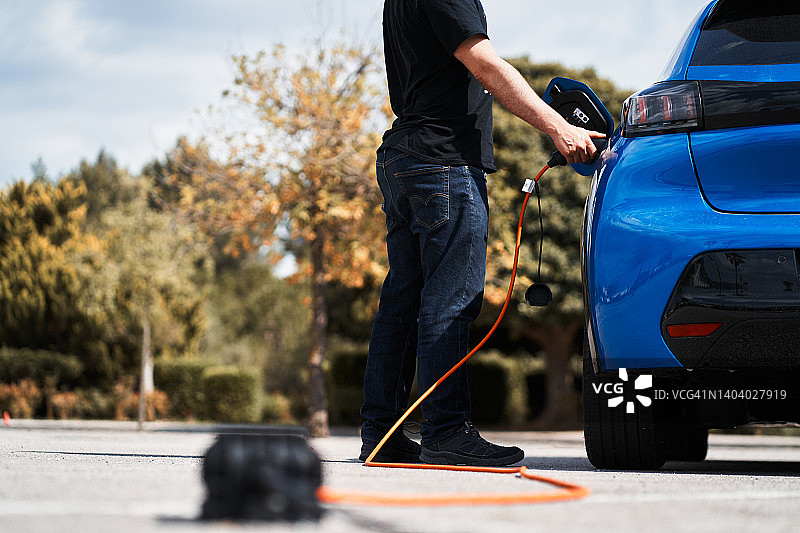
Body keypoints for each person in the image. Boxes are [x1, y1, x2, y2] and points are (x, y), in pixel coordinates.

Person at [360, 0, 604, 466]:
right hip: (443, 162)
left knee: (402, 301)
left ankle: (381, 433)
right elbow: (486, 64)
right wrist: (558, 127)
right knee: (450, 299)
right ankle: (446, 431)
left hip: (405, 158)